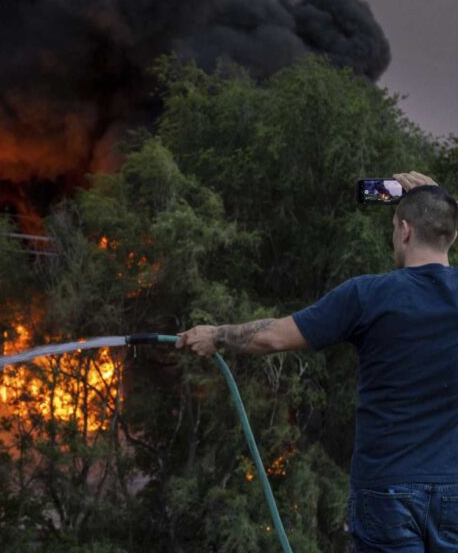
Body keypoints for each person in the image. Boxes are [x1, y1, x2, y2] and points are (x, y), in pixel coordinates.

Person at [176, 171, 458, 552]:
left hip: (388, 491)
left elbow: (274, 336)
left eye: (393, 226)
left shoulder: (367, 295)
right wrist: (442, 203)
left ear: (405, 231)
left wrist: (216, 335)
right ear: (452, 236)